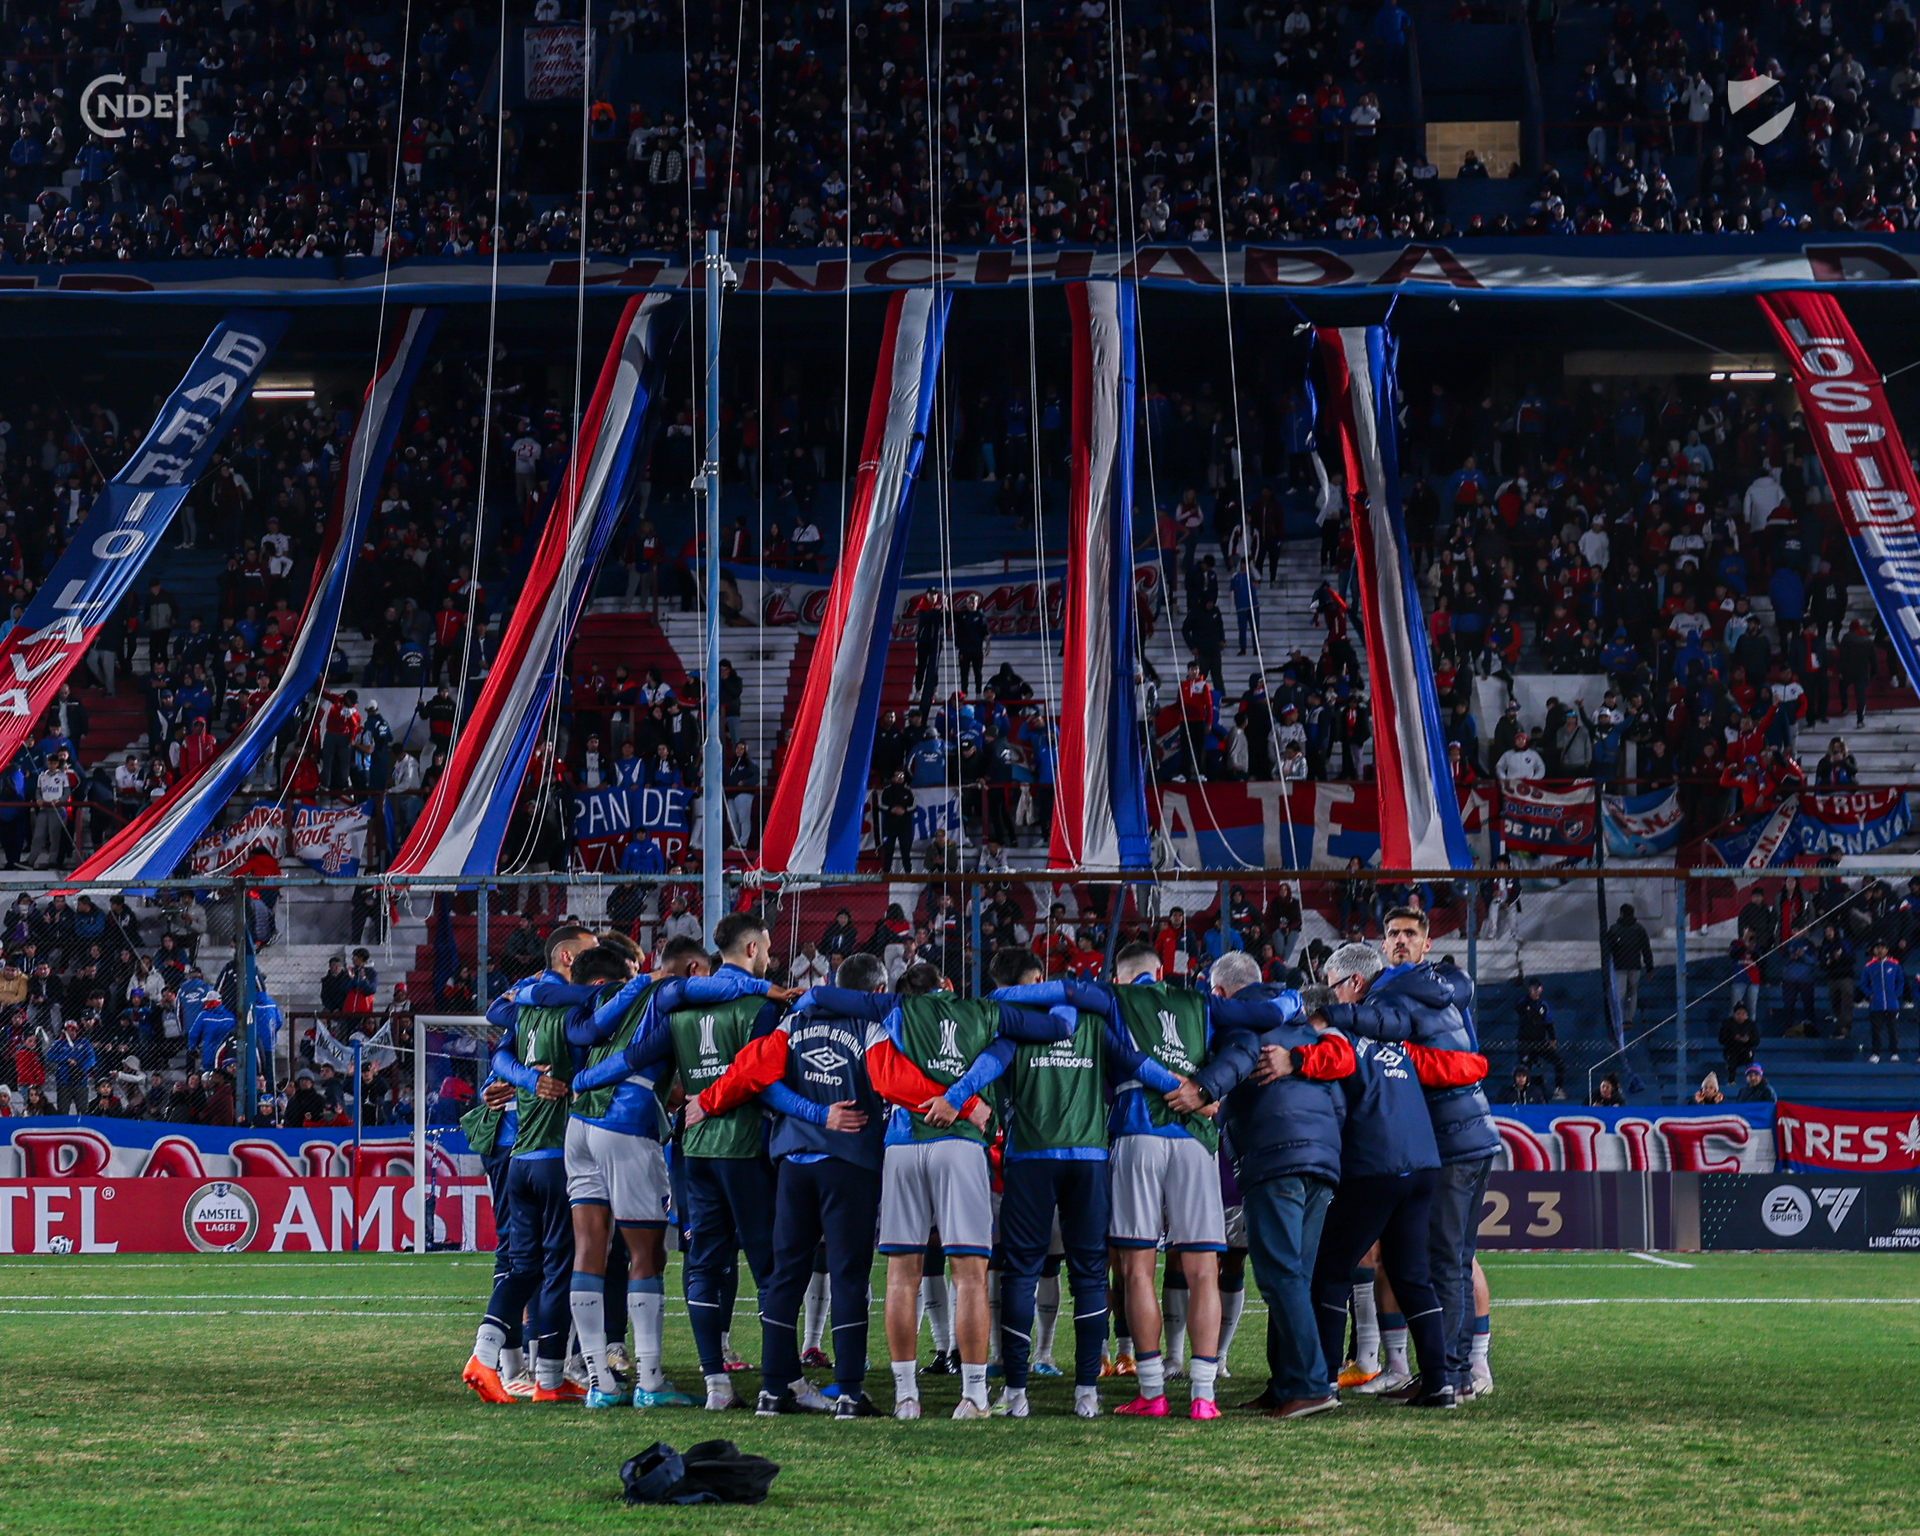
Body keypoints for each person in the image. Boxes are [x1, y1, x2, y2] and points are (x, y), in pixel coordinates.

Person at [668, 952, 1007, 1418]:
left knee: (785, 1277)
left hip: (794, 1165)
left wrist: (708, 1101)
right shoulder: (872, 1027)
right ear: (874, 992)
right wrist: (965, 1104)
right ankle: (849, 1392)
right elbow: (892, 1081)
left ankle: (772, 1391)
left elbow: (755, 1075)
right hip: (848, 1164)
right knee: (848, 1276)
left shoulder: (794, 1021)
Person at [1005, 941, 1305, 1419]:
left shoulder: (1113, 997)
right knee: (1203, 1269)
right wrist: (1294, 998)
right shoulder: (1202, 1001)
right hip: (1195, 1137)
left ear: (1120, 977)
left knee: (1137, 1269)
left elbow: (1060, 991)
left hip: (1137, 1132)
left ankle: (1151, 1392)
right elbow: (1272, 1010)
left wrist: (996, 997)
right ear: (1162, 972)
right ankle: (1204, 1396)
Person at [558, 933, 771, 1408]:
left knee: (588, 1249)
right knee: (647, 1254)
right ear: (693, 970)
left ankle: (599, 1384)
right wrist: (768, 989)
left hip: (579, 1126)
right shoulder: (667, 992)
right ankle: (651, 1383)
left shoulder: (593, 1002)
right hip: (625, 1123)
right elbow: (722, 988)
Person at [1293, 941, 1490, 1410]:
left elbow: (1334, 1081)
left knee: (1329, 1270)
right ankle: (1440, 1381)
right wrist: (1479, 1065)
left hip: (1375, 1165)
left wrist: (1295, 1058)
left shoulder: (1344, 1035)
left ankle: (1319, 1384)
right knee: (1412, 1273)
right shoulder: (1400, 1038)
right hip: (1422, 1164)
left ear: (1351, 986)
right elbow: (1461, 1065)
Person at [1167, 950, 1339, 1419]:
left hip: (1276, 1154)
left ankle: (1311, 1385)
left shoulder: (1241, 1020)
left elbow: (1242, 1056)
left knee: (1280, 1275)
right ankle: (1285, 1383)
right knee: (1296, 1276)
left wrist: (1202, 1088)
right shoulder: (1301, 1025)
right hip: (1321, 1156)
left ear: (1219, 991)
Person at [462, 924, 600, 1405]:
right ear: (568, 957)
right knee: (551, 1263)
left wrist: (521, 1075)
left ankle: (496, 1359)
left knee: (525, 1263)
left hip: (521, 1153)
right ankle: (535, 1372)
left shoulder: (530, 1006)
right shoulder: (564, 1008)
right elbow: (501, 1030)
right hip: (538, 1150)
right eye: (590, 953)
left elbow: (502, 1045)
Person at [1605, 904, 1654, 1028]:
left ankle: (1620, 1019)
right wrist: (1649, 968)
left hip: (1619, 966)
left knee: (1620, 994)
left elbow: (1608, 949)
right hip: (1634, 965)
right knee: (1632, 994)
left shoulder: (1614, 929)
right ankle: (1629, 1019)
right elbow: (1646, 950)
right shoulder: (1639, 929)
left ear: (1621, 914)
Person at [1514, 978, 1565, 1097]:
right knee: (1524, 1067)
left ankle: (1558, 1089)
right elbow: (1518, 1010)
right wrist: (1530, 999)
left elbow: (1548, 1023)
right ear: (1529, 989)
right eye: (1533, 988)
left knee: (1559, 1062)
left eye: (1538, 988)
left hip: (1540, 1042)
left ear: (1541, 989)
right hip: (1525, 1043)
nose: (1536, 990)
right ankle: (1522, 1092)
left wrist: (1552, 1038)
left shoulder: (1543, 1005)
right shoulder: (1523, 1001)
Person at [1865, 939, 1909, 1063]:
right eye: (1877, 948)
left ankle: (1894, 1053)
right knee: (1876, 1030)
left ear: (1887, 950)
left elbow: (1901, 980)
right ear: (1874, 950)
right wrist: (1870, 994)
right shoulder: (1869, 966)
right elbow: (1864, 983)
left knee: (1893, 1029)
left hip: (1892, 1004)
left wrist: (1897, 993)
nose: (1880, 950)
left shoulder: (1894, 964)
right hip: (1876, 1004)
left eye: (1882, 948)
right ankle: (1875, 1053)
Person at [1718, 1003, 1760, 1077]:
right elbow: (1721, 1039)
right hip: (1731, 1049)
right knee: (1731, 1058)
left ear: (1746, 1015)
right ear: (1734, 1014)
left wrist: (1748, 1039)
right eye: (1738, 1014)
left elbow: (1756, 1040)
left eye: (1743, 1014)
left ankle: (1751, 1078)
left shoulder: (1751, 1024)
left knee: (1749, 1057)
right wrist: (1733, 1038)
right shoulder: (1727, 1023)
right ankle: (1731, 1080)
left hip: (1746, 1049)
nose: (1740, 1016)